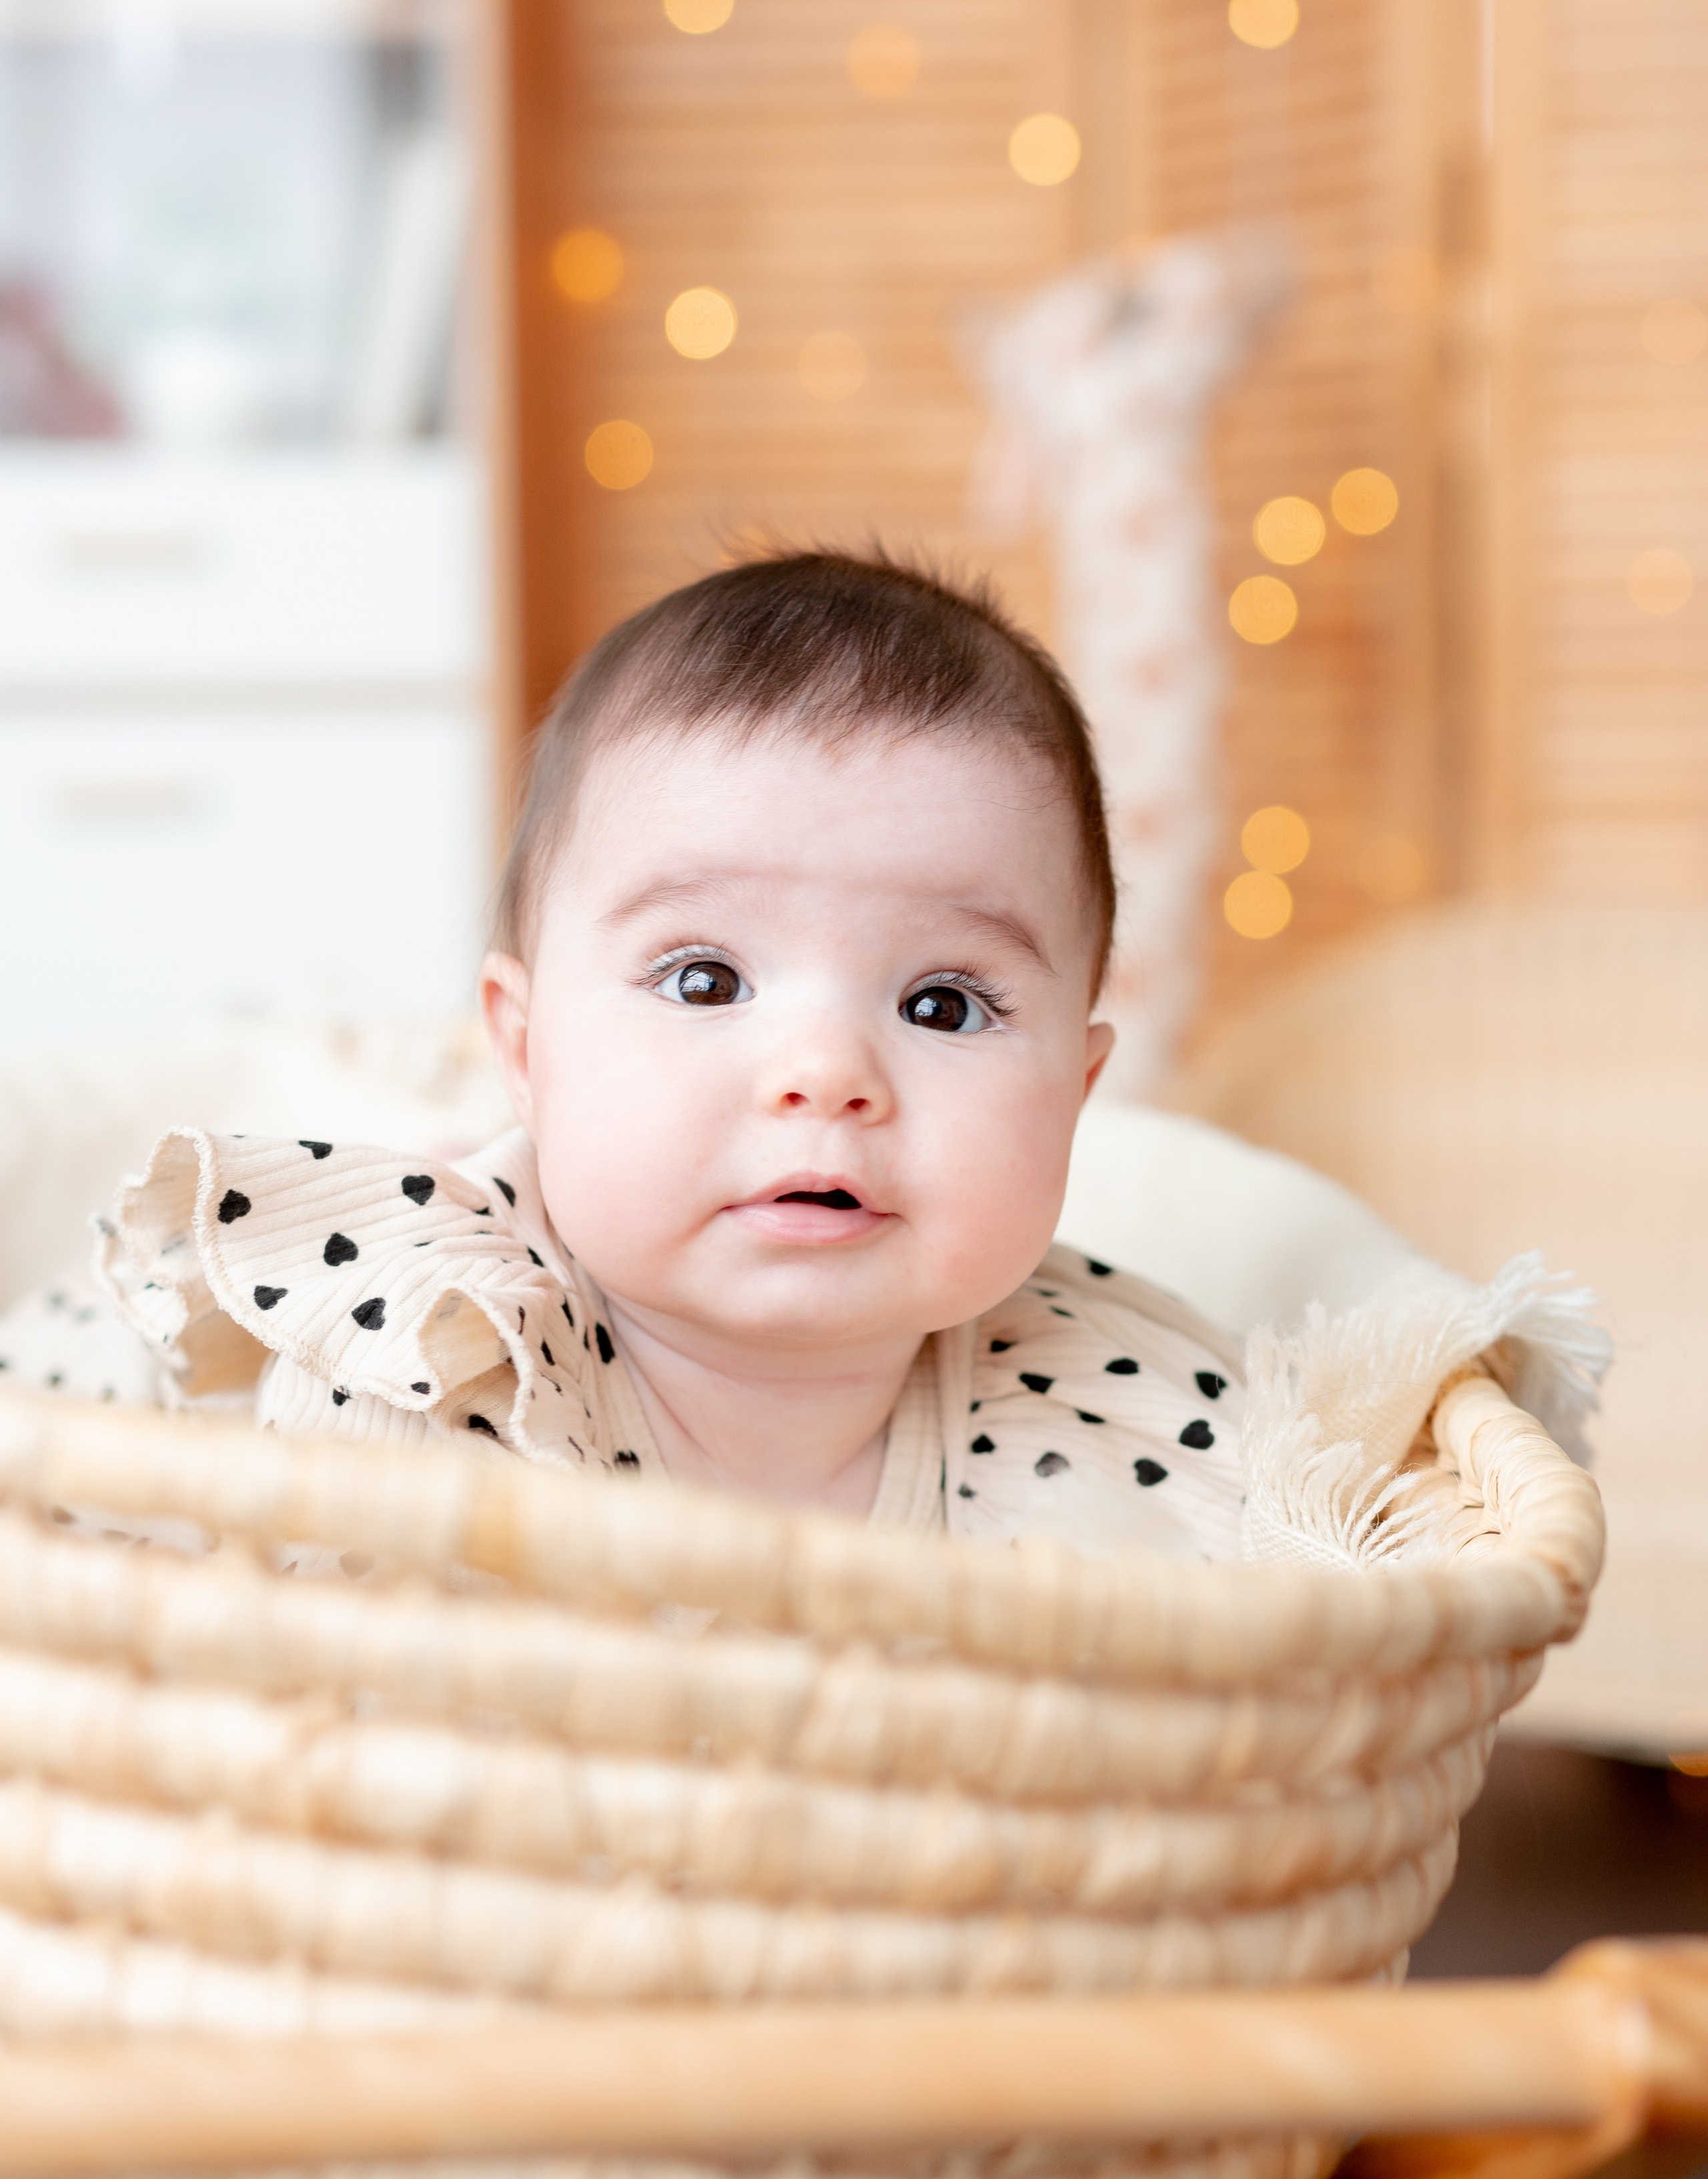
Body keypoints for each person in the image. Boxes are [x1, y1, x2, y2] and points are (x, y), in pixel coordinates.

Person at [96, 550, 1250, 1561]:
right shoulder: (422, 1362)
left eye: (944, 1005)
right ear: (526, 1048)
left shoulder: (1132, 1414)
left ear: (1076, 1092)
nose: (826, 1071)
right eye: (706, 981)